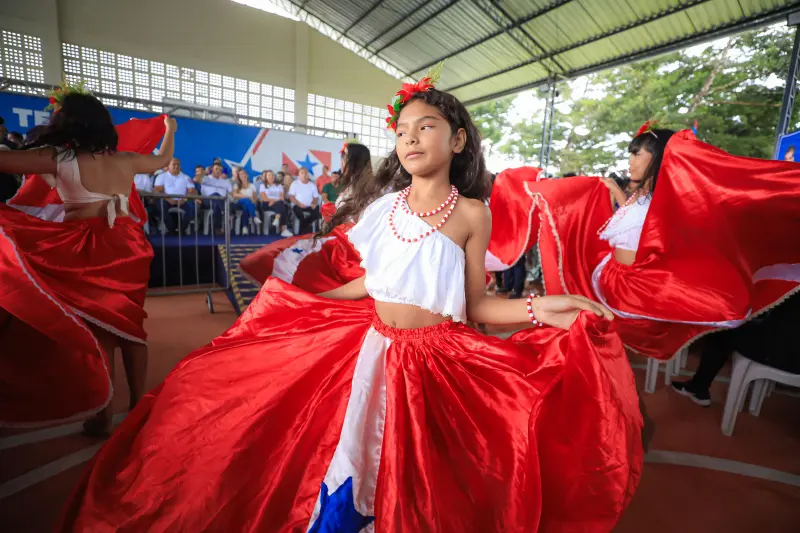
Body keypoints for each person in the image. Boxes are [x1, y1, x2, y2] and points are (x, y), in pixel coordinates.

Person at [58, 74, 643, 533]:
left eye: (427, 126)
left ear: (458, 139)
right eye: (402, 130)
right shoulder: (380, 211)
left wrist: (550, 306)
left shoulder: (472, 214)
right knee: (350, 464)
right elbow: (371, 285)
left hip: (442, 365)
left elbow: (476, 304)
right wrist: (301, 302)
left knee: (427, 483)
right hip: (372, 352)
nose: (411, 138)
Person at [491, 120, 800, 360]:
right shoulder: (642, 198)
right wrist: (613, 191)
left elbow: (647, 221)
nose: (630, 160)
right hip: (613, 278)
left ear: (659, 156)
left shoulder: (665, 205)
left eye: (637, 152)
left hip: (629, 291)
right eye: (630, 152)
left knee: (728, 305)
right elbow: (635, 216)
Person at [0, 87, 176, 435]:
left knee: (101, 328)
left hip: (85, 246)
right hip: (129, 244)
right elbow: (160, 159)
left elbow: (4, 161)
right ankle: (138, 403)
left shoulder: (58, 159)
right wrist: (170, 131)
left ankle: (104, 411)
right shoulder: (125, 159)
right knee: (130, 324)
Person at [239, 142, 374, 289]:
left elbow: (359, 223)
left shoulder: (368, 190)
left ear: (353, 162)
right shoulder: (354, 187)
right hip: (339, 238)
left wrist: (335, 215)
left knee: (290, 258)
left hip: (349, 245)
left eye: (344, 160)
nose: (341, 164)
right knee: (282, 252)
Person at [672, 293, 800, 406]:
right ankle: (698, 387)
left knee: (721, 330)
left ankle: (698, 387)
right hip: (787, 347)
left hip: (784, 353)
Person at [153, 157, 196, 234]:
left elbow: (191, 191)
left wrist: (184, 199)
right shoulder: (161, 176)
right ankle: (172, 230)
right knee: (160, 205)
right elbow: (157, 190)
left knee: (192, 208)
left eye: (178, 164)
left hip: (183, 201)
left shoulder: (186, 177)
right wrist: (168, 198)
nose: (176, 166)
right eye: (174, 164)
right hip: (166, 201)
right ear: (168, 165)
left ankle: (181, 230)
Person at [257, 169, 292, 237]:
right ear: (266, 177)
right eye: (269, 175)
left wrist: (273, 201)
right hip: (267, 204)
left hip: (277, 203)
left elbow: (282, 198)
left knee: (283, 205)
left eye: (273, 175)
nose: (271, 176)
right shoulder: (262, 186)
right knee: (282, 205)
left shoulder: (279, 185)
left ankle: (277, 217)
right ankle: (283, 229)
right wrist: (274, 200)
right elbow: (264, 198)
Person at [200, 161, 233, 231]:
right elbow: (196, 179)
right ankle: (226, 213)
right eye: (216, 169)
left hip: (221, 201)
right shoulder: (206, 178)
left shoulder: (225, 181)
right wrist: (205, 172)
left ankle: (217, 228)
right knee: (216, 195)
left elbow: (232, 193)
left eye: (220, 170)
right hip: (207, 200)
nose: (218, 171)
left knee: (217, 204)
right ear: (212, 169)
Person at [289, 166, 321, 233]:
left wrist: (314, 203)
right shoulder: (294, 184)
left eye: (305, 173)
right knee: (300, 214)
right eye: (302, 173)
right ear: (299, 174)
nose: (304, 175)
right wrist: (299, 204)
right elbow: (291, 197)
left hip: (310, 206)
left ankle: (305, 226)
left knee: (317, 212)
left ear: (307, 175)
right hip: (298, 205)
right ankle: (305, 229)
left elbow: (316, 197)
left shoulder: (312, 185)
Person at [231, 168, 260, 233]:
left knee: (246, 207)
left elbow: (254, 198)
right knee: (246, 200)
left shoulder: (252, 185)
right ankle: (254, 216)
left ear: (247, 175)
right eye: (241, 174)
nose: (243, 175)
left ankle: (245, 227)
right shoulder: (236, 185)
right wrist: (247, 196)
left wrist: (252, 201)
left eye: (244, 173)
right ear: (239, 176)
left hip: (249, 204)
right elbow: (234, 195)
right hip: (238, 204)